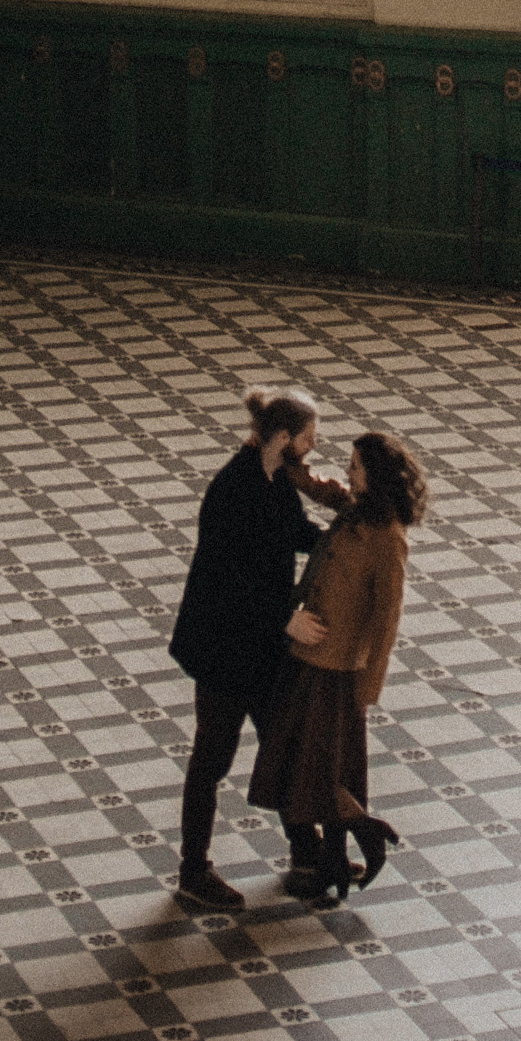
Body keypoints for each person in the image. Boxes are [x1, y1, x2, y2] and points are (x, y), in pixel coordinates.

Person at [167, 384, 346, 912]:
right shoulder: (234, 489)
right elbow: (229, 581)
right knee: (212, 760)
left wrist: (345, 540)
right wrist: (286, 620)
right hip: (224, 650)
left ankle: (307, 856)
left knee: (284, 744)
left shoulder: (273, 478)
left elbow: (293, 532)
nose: (313, 449)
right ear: (284, 437)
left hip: (260, 646)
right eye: (309, 439)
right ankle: (193, 873)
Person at [249, 428, 428, 905]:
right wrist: (285, 460)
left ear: (377, 477)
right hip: (308, 658)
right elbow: (322, 487)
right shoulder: (356, 508)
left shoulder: (387, 538)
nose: (349, 473)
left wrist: (369, 686)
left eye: (356, 467)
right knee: (307, 764)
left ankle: (346, 842)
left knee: (319, 767)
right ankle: (342, 845)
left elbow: (388, 616)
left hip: (337, 670)